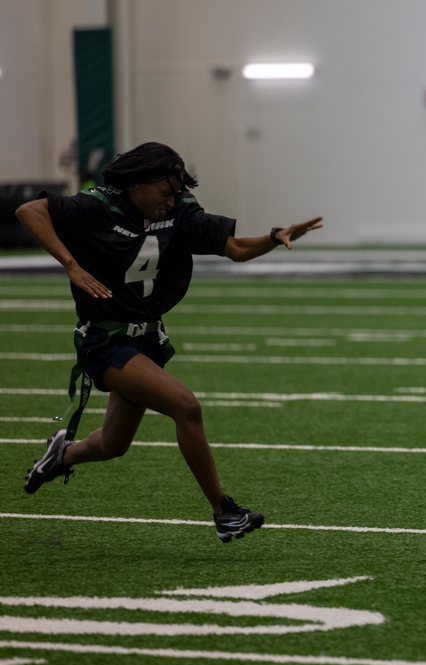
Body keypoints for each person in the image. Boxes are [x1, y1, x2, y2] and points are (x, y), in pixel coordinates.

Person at [16, 141, 323, 543]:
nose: (172, 199)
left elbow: (233, 249)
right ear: (139, 183)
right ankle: (224, 511)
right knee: (185, 406)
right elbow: (29, 211)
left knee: (113, 444)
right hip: (106, 339)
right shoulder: (99, 205)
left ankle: (62, 455)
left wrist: (273, 235)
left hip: (147, 340)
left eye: (176, 192)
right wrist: (70, 265)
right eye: (165, 191)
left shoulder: (179, 210)